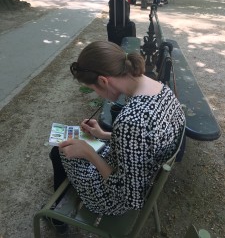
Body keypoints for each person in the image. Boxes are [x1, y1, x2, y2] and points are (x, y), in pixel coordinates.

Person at [49, 40, 185, 227]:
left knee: (59, 151)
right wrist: (103, 134)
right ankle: (59, 207)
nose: (98, 94)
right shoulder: (161, 89)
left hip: (113, 200)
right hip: (141, 170)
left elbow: (128, 195)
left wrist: (89, 152)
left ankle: (57, 217)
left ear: (104, 81)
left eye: (94, 89)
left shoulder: (131, 121)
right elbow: (145, 141)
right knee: (65, 149)